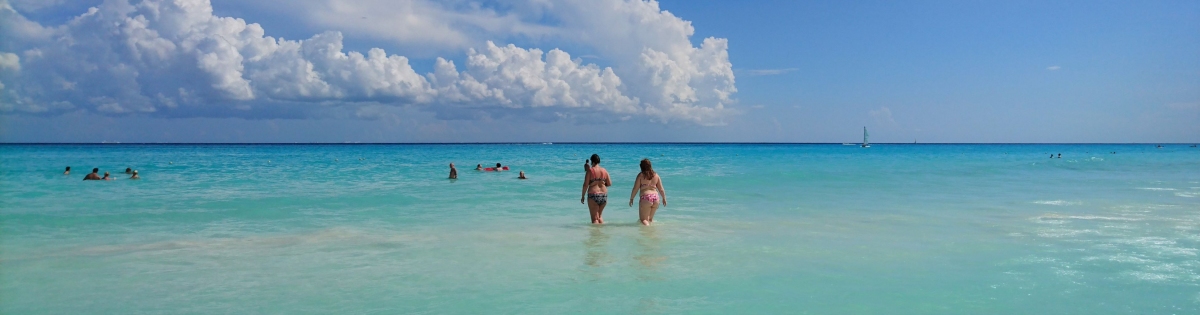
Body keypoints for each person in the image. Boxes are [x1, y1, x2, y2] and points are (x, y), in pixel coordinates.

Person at [629, 159, 666, 226]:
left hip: (646, 198)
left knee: (643, 220)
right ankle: (651, 233)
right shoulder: (656, 175)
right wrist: (664, 198)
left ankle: (646, 232)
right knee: (650, 219)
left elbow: (635, 188)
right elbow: (661, 189)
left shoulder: (640, 175)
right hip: (656, 198)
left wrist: (631, 198)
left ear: (641, 166)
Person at [581, 154, 611, 224]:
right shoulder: (604, 170)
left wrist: (582, 196)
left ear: (592, 162)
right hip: (604, 195)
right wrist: (601, 184)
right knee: (599, 217)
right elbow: (609, 183)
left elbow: (585, 185)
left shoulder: (590, 171)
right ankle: (601, 233)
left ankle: (596, 234)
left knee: (594, 219)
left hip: (593, 195)